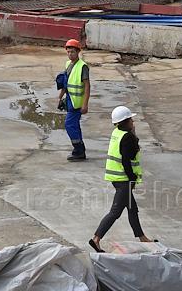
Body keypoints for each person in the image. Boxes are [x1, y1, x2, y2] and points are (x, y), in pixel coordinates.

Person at [88, 106, 157, 252]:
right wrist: (132, 177)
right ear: (125, 122)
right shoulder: (128, 137)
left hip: (116, 177)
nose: (133, 121)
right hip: (124, 179)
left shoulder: (117, 132)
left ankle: (142, 237)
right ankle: (96, 239)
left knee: (132, 209)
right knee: (116, 212)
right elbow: (128, 158)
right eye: (131, 119)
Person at [57, 39, 90, 161]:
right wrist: (61, 96)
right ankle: (80, 150)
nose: (70, 54)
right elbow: (66, 83)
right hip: (70, 100)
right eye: (68, 52)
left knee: (69, 125)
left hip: (78, 103)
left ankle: (78, 150)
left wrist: (85, 104)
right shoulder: (68, 64)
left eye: (73, 52)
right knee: (74, 125)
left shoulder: (83, 67)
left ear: (78, 52)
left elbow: (87, 86)